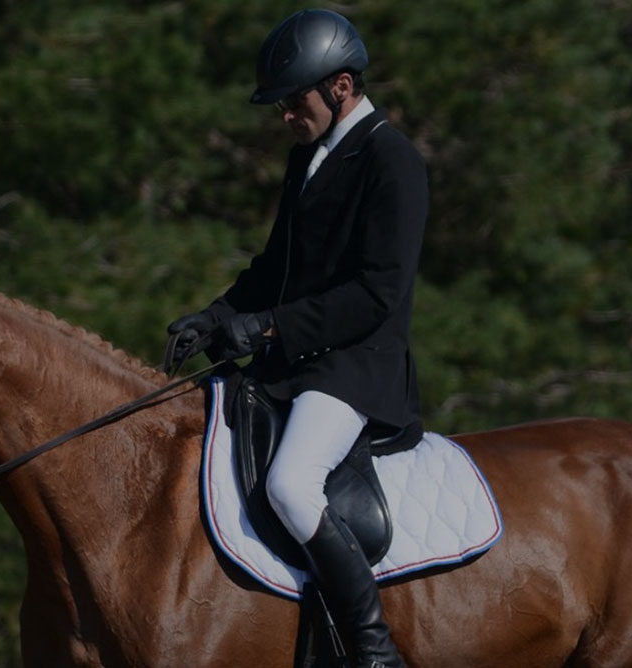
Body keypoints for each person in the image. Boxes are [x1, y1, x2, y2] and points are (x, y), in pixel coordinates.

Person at [166, 9, 426, 668]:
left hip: (356, 369)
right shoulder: (307, 157)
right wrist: (215, 314)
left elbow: (378, 293)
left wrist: (272, 325)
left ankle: (373, 650)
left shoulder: (392, 160)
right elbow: (274, 267)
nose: (284, 114)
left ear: (341, 87)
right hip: (293, 363)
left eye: (293, 100)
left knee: (290, 484)